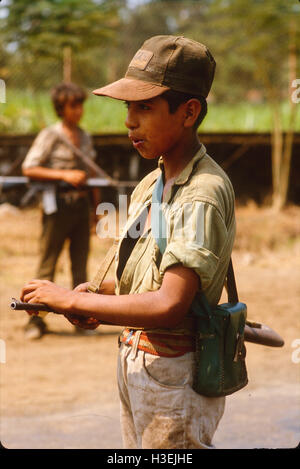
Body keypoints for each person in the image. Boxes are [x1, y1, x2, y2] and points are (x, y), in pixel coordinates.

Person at [20, 36, 236, 448]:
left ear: (189, 112)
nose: (129, 121)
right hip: (139, 365)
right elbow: (139, 279)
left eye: (145, 107)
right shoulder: (152, 183)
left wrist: (74, 302)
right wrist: (87, 294)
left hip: (175, 375)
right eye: (128, 108)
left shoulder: (201, 192)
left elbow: (170, 303)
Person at [22, 82, 99, 339]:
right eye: (73, 106)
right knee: (47, 266)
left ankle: (80, 320)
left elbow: (90, 175)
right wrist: (63, 174)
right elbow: (30, 167)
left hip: (81, 206)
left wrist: (96, 210)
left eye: (80, 105)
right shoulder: (50, 135)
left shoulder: (85, 136)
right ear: (61, 108)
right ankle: (36, 322)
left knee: (80, 267)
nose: (78, 111)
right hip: (57, 207)